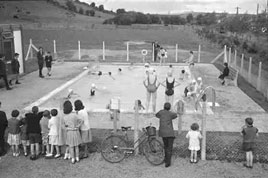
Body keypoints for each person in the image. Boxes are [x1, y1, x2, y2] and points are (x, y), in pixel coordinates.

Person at [156, 102, 177, 167]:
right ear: (169, 108)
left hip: (163, 132)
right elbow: (175, 115)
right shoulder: (171, 114)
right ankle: (168, 162)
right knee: (169, 148)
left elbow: (157, 115)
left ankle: (165, 159)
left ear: (164, 107)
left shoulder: (161, 112)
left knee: (165, 146)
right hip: (170, 133)